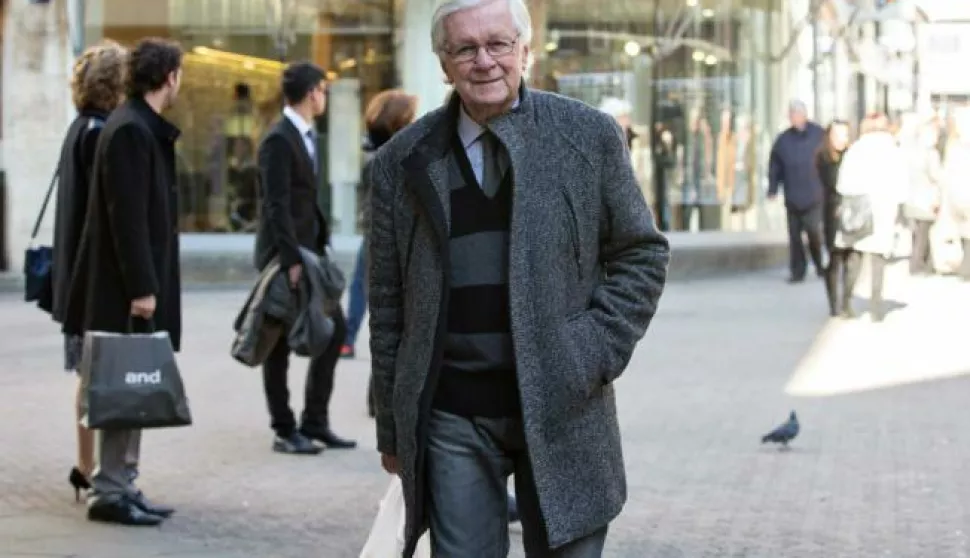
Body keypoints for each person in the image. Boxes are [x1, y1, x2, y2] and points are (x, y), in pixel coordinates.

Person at [366, 0, 670, 556]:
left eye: (498, 44)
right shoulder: (400, 162)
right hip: (452, 414)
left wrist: (591, 351)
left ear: (525, 51)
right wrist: (392, 424)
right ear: (443, 63)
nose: (484, 61)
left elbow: (641, 253)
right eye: (464, 48)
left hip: (565, 405)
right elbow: (387, 304)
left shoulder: (588, 136)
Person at [62, 37, 184, 526]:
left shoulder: (135, 125)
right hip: (124, 293)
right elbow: (127, 219)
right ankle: (110, 489)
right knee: (123, 386)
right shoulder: (131, 130)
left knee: (133, 387)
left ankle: (123, 483)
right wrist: (142, 287)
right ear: (169, 77)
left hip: (129, 289)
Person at [254, 61, 356, 454]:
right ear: (312, 93)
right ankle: (284, 429)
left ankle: (315, 420)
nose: (324, 97)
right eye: (323, 91)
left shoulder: (306, 136)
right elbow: (275, 205)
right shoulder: (278, 139)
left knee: (334, 331)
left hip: (310, 253)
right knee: (277, 343)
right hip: (286, 257)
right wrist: (290, 259)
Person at [50, 40, 128, 504]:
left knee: (87, 374)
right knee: (95, 376)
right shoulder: (99, 134)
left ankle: (86, 466)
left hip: (74, 277)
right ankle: (93, 467)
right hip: (91, 279)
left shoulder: (79, 127)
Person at [342, 89, 419, 364]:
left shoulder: (380, 152)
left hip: (378, 234)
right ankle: (349, 340)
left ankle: (348, 340)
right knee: (373, 290)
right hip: (387, 236)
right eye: (410, 117)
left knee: (362, 285)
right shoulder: (395, 157)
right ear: (400, 121)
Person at [832, 113, 908, 322]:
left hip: (858, 210)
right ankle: (876, 307)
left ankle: (845, 302)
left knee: (854, 257)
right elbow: (902, 185)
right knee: (878, 259)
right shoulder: (893, 150)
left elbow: (842, 183)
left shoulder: (856, 149)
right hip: (883, 210)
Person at [768, 100, 826, 283]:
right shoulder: (783, 140)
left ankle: (819, 264)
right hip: (792, 195)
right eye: (792, 114)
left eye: (798, 114)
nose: (795, 118)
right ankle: (797, 271)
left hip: (814, 194)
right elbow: (775, 166)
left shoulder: (818, 134)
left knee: (813, 232)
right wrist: (772, 188)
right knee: (794, 237)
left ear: (804, 115)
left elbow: (828, 159)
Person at [815, 119, 851, 316]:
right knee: (835, 259)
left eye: (845, 134)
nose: (842, 139)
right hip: (832, 214)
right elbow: (830, 183)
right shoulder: (823, 158)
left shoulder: (852, 156)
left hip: (851, 213)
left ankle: (846, 300)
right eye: (838, 134)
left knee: (851, 260)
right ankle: (834, 303)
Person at [905, 118, 943, 275]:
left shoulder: (911, 150)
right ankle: (918, 263)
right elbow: (936, 176)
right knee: (924, 232)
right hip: (927, 197)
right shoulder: (931, 154)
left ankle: (925, 262)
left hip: (911, 197)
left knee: (918, 232)